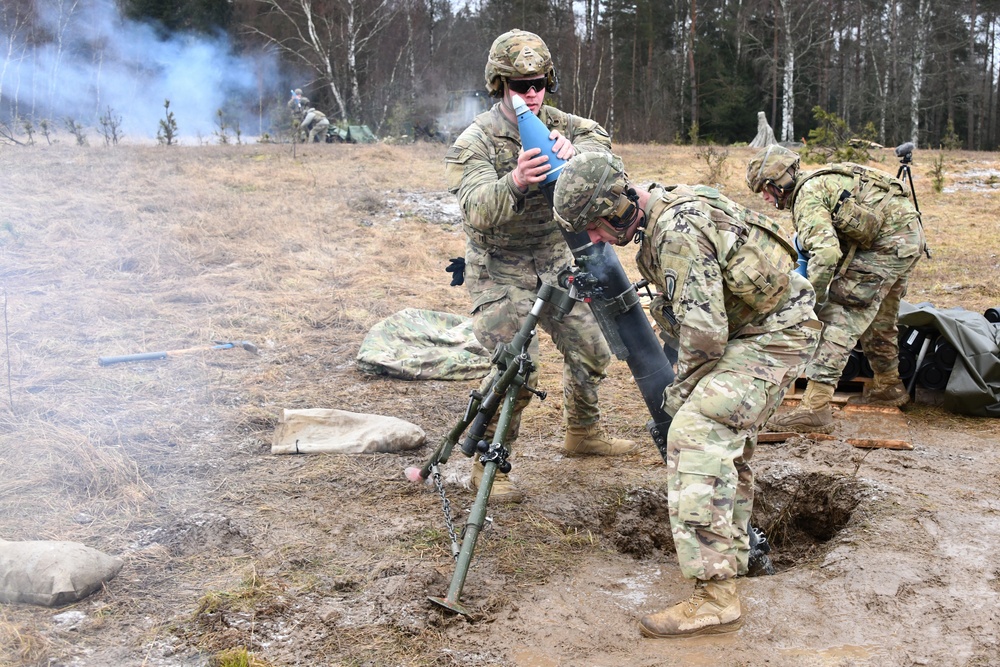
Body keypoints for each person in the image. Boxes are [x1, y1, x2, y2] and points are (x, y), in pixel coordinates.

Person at [552, 152, 822, 638]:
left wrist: (679, 396)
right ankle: (735, 558)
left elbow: (704, 335)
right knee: (718, 439)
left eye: (593, 225)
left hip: (773, 336)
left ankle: (715, 598)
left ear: (615, 205)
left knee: (695, 432)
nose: (593, 239)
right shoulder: (661, 208)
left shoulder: (675, 232)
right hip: (756, 330)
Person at [444, 29, 636, 503]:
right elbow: (473, 208)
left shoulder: (563, 124)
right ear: (498, 85)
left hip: (555, 258)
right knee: (517, 369)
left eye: (538, 83)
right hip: (499, 265)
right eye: (518, 85)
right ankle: (491, 463)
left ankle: (582, 433)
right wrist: (515, 181)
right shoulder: (476, 141)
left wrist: (582, 156)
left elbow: (606, 152)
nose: (530, 94)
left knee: (593, 349)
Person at [746, 145, 926, 433]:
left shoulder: (807, 197)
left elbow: (826, 254)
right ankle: (889, 385)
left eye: (765, 189)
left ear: (780, 182)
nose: (765, 197)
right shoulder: (817, 182)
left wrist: (811, 303)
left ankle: (814, 409)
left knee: (841, 316)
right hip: (906, 237)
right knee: (879, 317)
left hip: (887, 245)